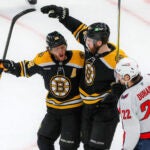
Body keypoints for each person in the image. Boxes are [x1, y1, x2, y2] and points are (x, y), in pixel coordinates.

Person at [40, 5, 128, 150]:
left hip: (104, 110)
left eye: (88, 41)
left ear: (99, 43)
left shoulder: (117, 60)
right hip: (87, 108)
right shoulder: (92, 45)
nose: (85, 42)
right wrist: (63, 17)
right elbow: (79, 29)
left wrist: (122, 89)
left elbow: (132, 79)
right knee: (87, 145)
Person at [0, 31, 84, 150]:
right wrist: (9, 66)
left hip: (73, 112)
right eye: (56, 49)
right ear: (49, 49)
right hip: (53, 111)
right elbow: (24, 69)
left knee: (67, 146)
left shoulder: (79, 58)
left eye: (62, 47)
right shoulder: (42, 59)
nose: (61, 51)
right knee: (43, 140)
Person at [115, 57, 150, 150]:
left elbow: (132, 131)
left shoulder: (126, 99)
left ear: (127, 77)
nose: (117, 77)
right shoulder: (148, 78)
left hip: (144, 141)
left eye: (119, 74)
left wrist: (126, 148)